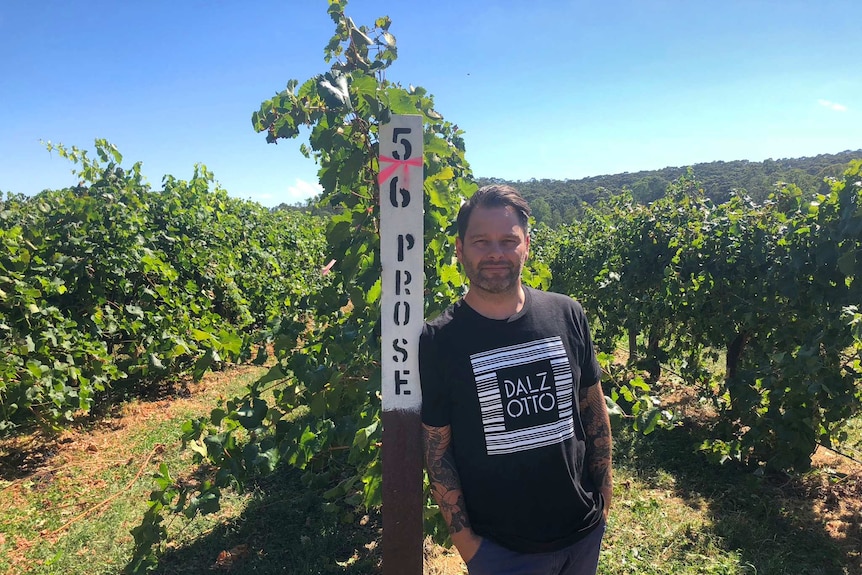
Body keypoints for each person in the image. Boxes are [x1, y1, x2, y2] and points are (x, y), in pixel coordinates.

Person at [420, 185, 612, 575]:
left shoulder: (567, 313)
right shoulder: (439, 339)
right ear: (460, 249)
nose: (496, 253)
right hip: (501, 552)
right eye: (481, 241)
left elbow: (591, 406)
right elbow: (437, 448)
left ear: (526, 245)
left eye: (509, 241)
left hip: (583, 533)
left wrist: (604, 498)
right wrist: (468, 544)